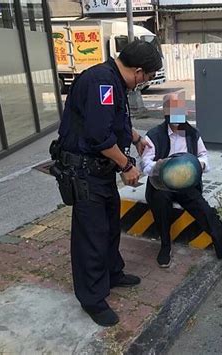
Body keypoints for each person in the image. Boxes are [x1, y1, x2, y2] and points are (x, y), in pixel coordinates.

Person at [53, 40, 162, 326]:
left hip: (100, 173)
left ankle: (112, 272)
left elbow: (115, 122)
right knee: (91, 235)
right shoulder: (102, 82)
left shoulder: (113, 80)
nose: (144, 83)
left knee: (111, 225)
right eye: (147, 78)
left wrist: (136, 138)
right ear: (138, 71)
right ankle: (92, 298)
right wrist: (126, 165)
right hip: (85, 173)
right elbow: (98, 135)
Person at [140, 92, 222, 274]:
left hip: (186, 183)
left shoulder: (191, 134)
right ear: (165, 111)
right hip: (161, 184)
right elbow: (144, 163)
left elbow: (204, 156)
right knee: (160, 202)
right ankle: (165, 246)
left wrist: (199, 164)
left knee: (205, 211)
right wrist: (160, 167)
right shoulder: (154, 135)